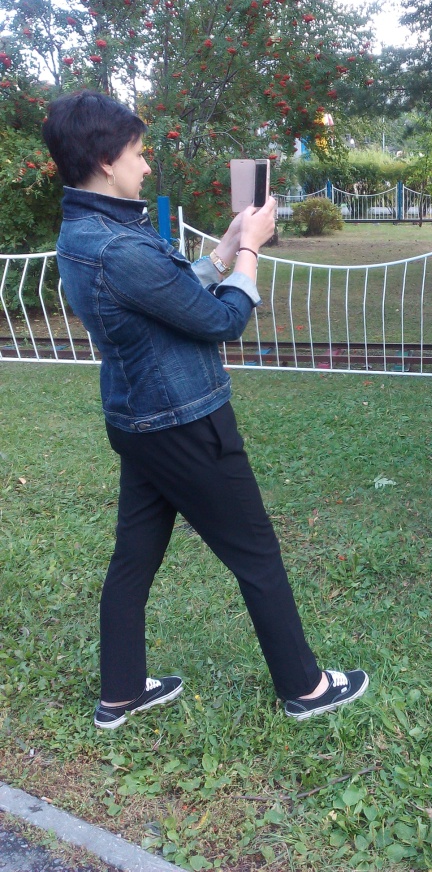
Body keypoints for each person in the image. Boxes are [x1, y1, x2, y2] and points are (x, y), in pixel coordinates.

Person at [44, 90, 368, 727]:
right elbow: (221, 321)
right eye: (138, 153)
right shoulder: (117, 245)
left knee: (134, 558)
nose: (146, 163)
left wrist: (225, 246)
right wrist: (251, 251)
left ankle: (120, 692)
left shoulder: (86, 232)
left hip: (138, 421)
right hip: (185, 423)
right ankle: (305, 689)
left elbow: (166, 295)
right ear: (106, 161)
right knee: (257, 553)